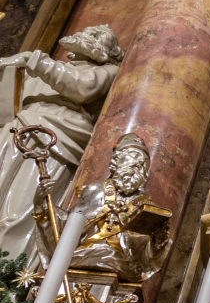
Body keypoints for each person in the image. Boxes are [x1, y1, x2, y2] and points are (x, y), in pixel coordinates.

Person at [0, 25, 122, 258]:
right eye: (87, 32)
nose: (87, 35)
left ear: (108, 52)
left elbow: (82, 87)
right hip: (16, 130)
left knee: (19, 213)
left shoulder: (108, 71)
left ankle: (7, 281)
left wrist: (34, 61)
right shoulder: (39, 68)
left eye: (97, 36)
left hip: (54, 140)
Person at [33, 133, 170, 283]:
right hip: (83, 258)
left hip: (124, 269)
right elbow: (66, 228)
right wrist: (42, 205)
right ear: (116, 161)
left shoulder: (147, 208)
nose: (139, 163)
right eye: (133, 156)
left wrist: (158, 238)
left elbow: (146, 259)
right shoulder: (96, 190)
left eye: (144, 162)